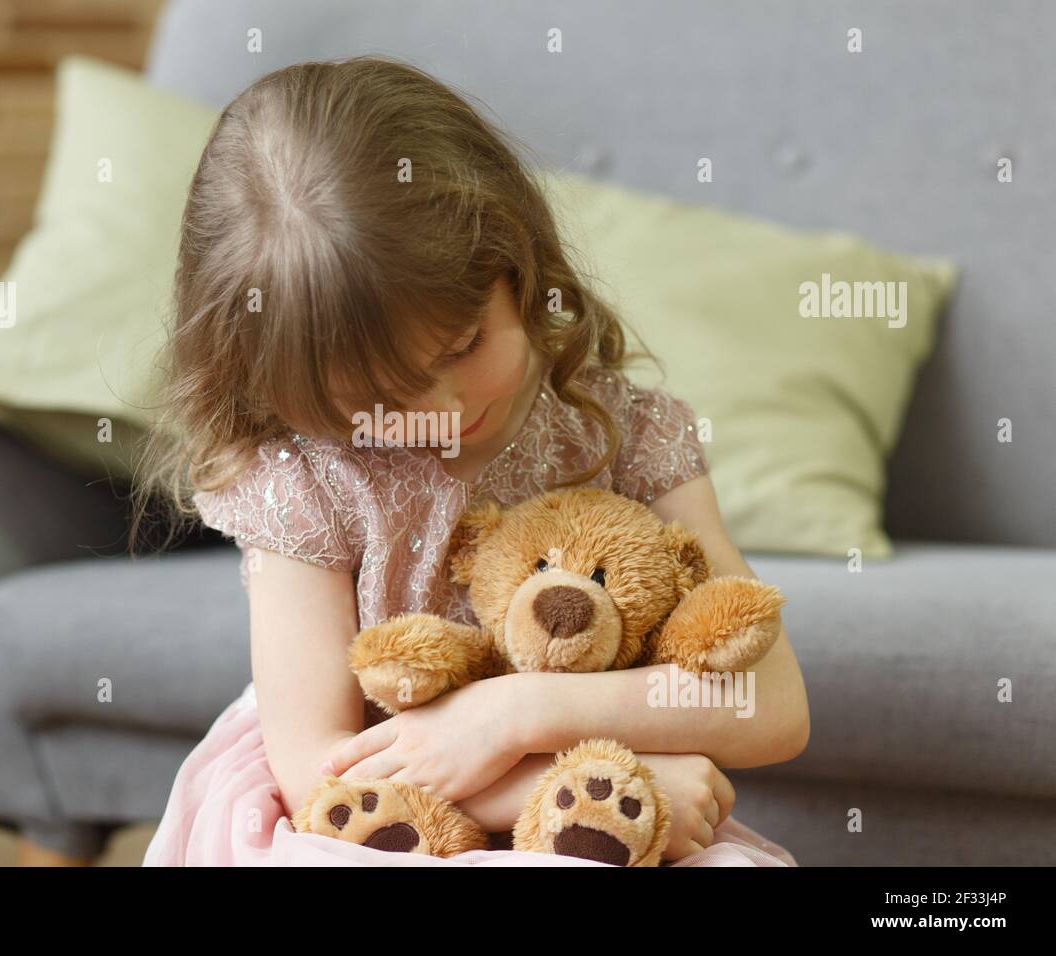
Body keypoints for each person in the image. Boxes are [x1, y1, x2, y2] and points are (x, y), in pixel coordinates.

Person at [132, 55, 807, 867]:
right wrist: (544, 789)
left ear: (516, 263)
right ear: (288, 389)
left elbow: (770, 704)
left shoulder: (624, 435)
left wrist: (515, 716)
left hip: (595, 808)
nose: (444, 411)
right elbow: (318, 770)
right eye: (374, 396)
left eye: (464, 344)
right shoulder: (302, 482)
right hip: (374, 822)